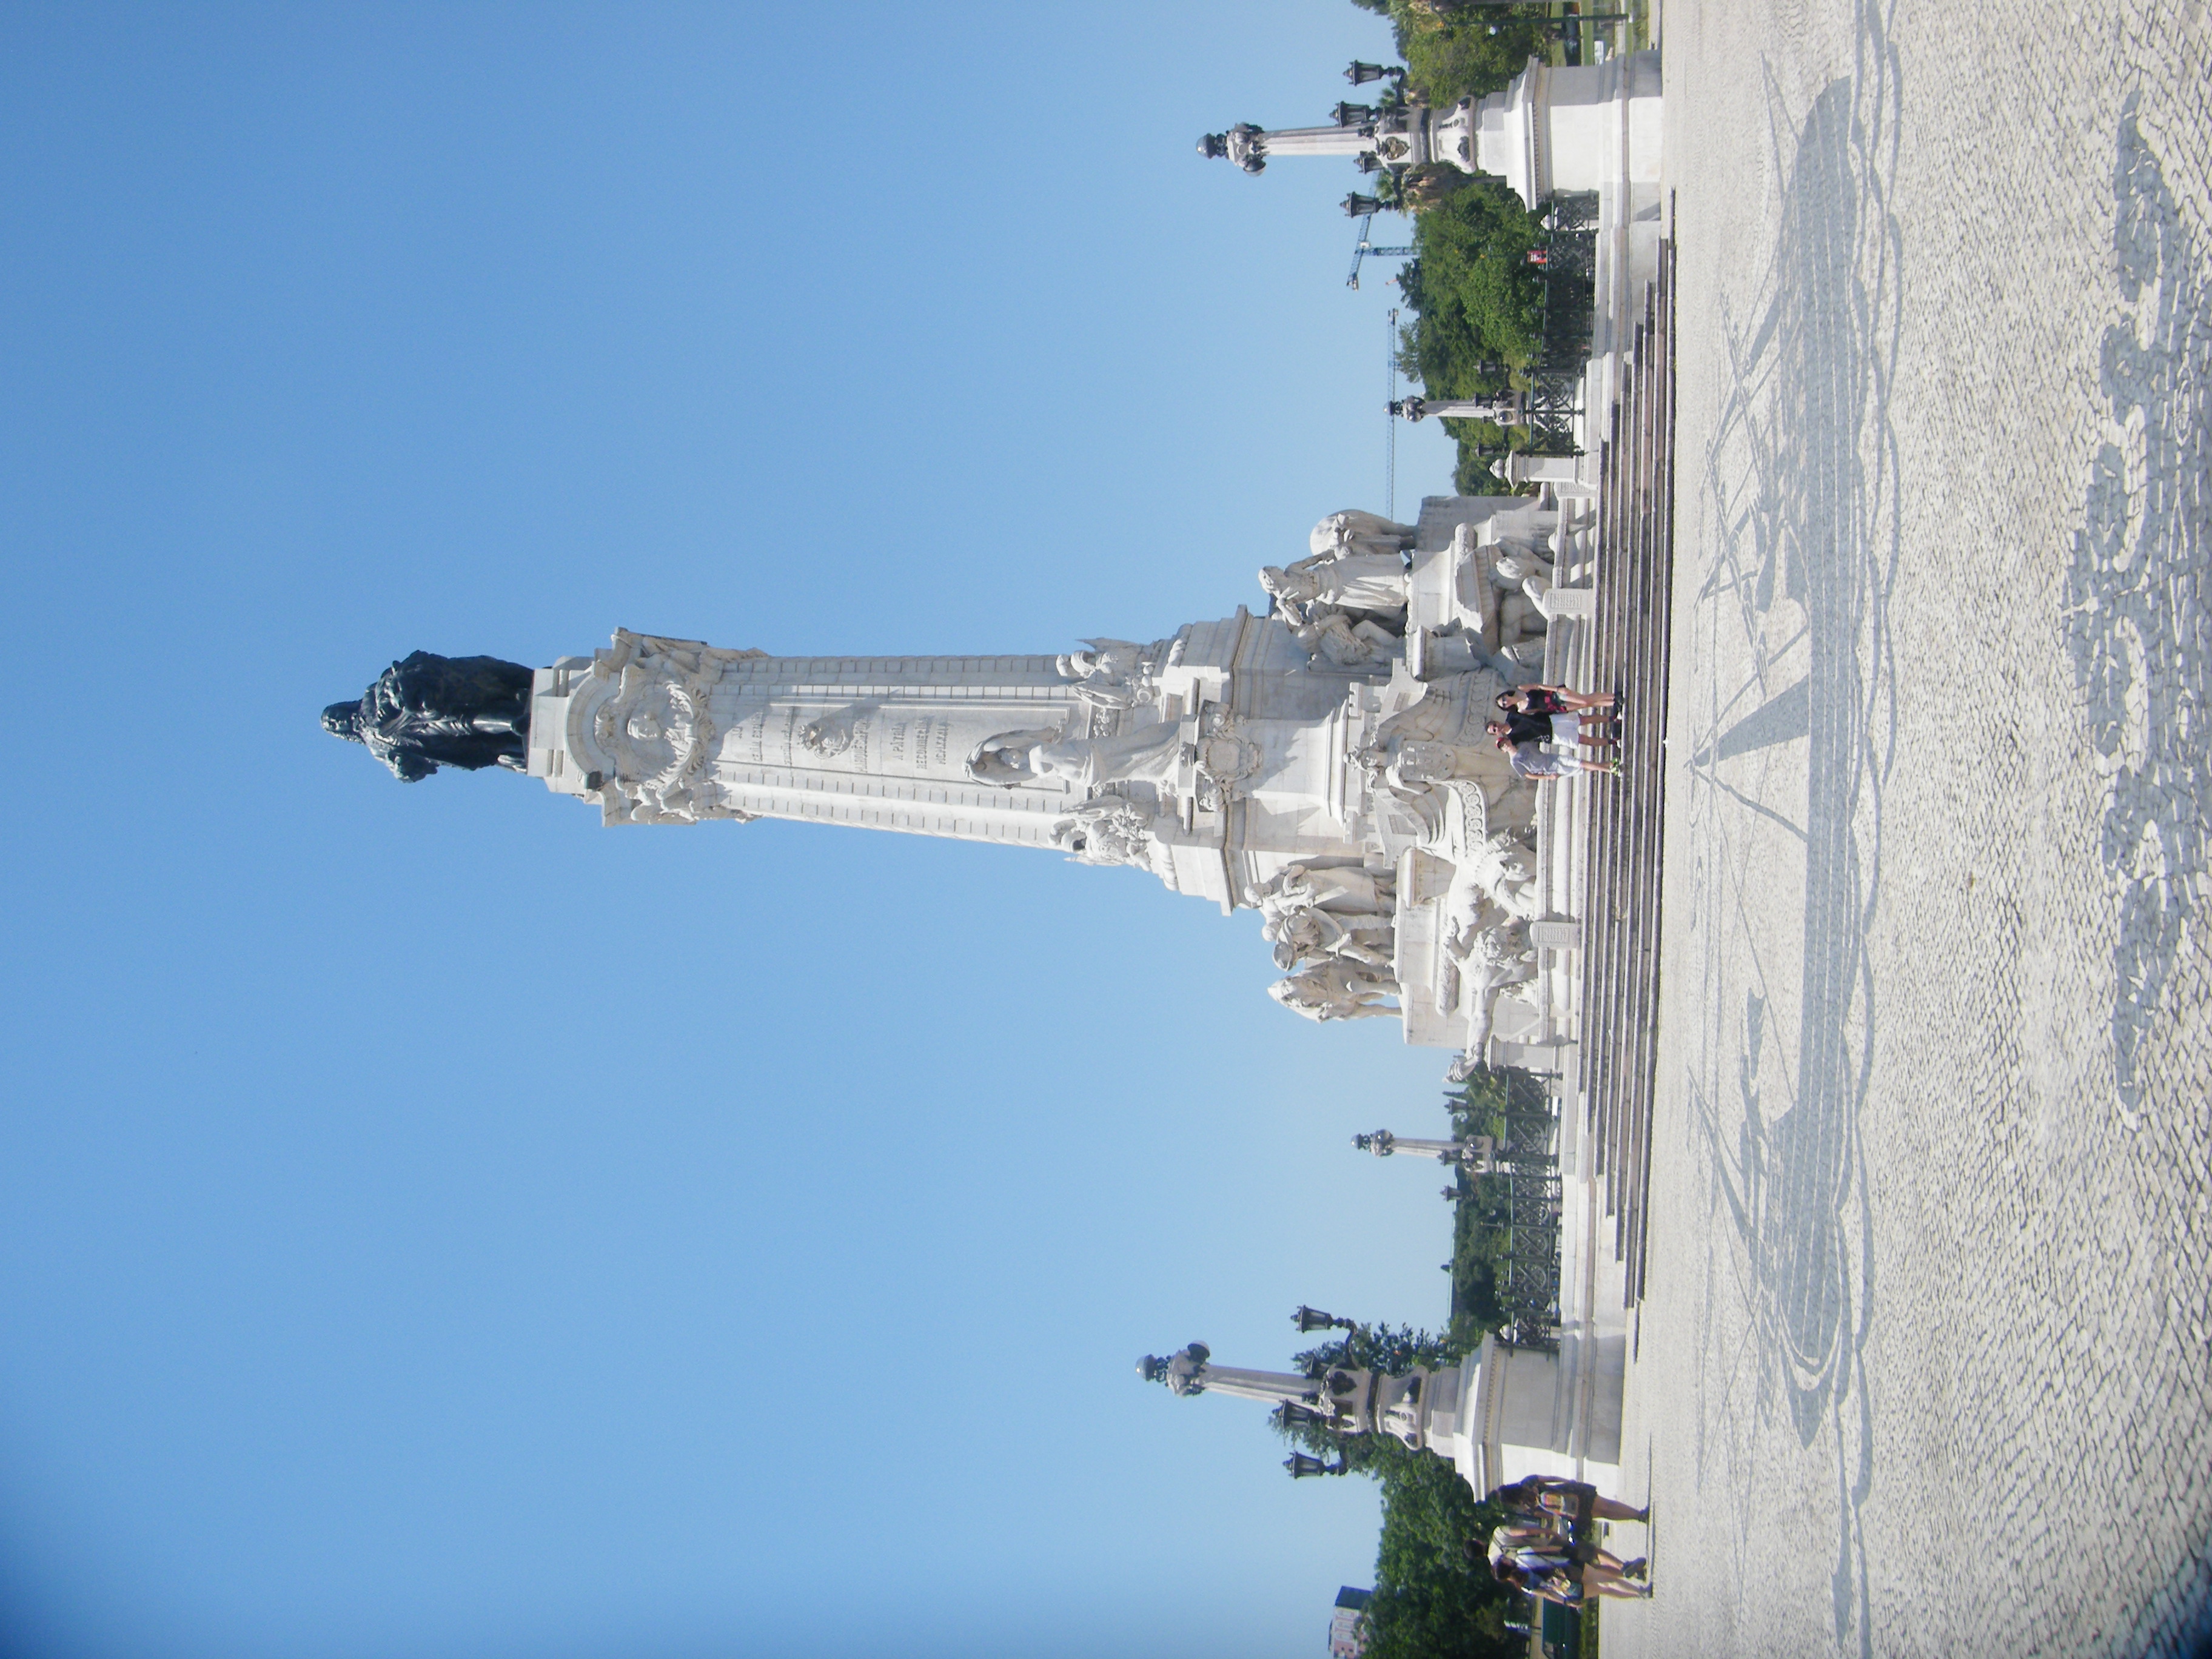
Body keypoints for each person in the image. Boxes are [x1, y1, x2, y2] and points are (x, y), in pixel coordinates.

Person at [1486, 721, 1620, 780]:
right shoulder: (1514, 761)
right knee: (1580, 769)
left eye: (1505, 743)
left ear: (1508, 740)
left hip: (1553, 758)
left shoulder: (1523, 745)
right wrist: (1547, 777)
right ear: (1503, 751)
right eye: (1503, 747)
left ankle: (1610, 769)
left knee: (1579, 763)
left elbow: (1535, 739)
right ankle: (1608, 765)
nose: (1506, 745)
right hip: (1550, 769)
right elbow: (1528, 775)